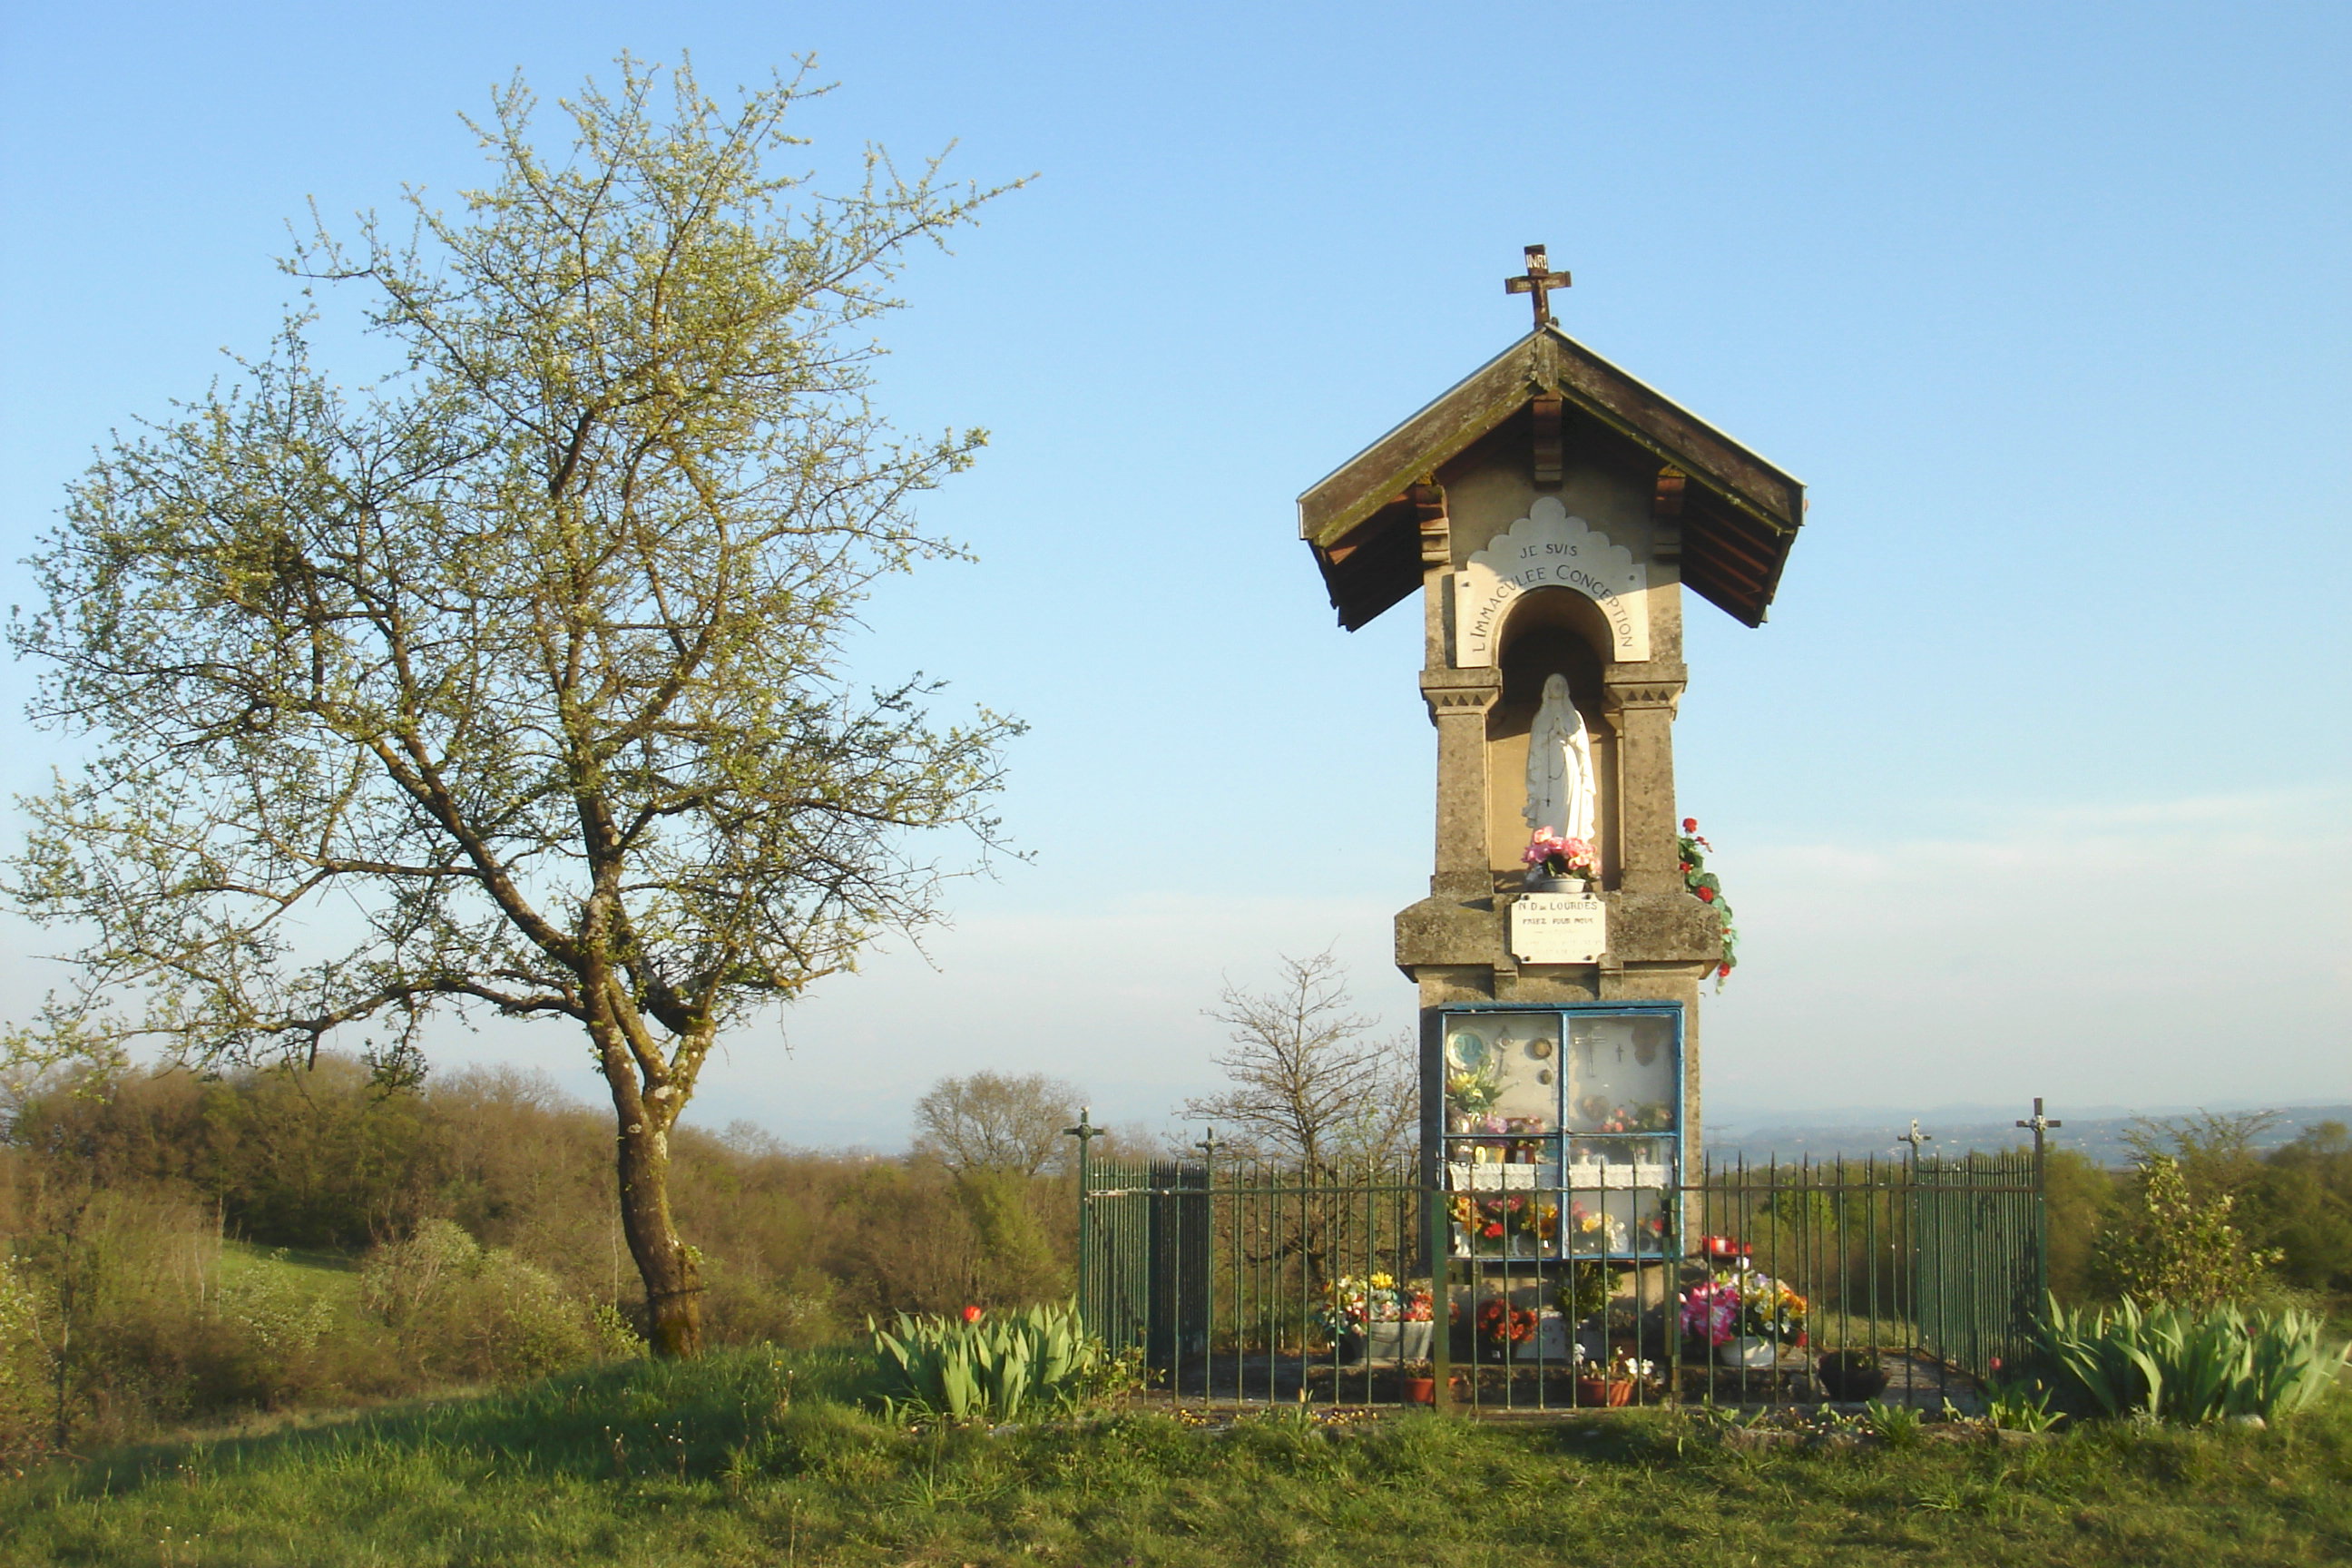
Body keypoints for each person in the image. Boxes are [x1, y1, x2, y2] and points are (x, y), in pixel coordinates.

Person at [1524, 673, 1595, 843]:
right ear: (1546, 688)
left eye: (1560, 683)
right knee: (1546, 807)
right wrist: (1550, 735)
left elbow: (1582, 745)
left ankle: (1569, 845)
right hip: (1546, 768)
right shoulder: (1540, 717)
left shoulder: (1574, 716)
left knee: (1569, 804)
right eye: (1553, 683)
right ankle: (1546, 850)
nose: (1556, 686)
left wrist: (1566, 734)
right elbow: (1535, 745)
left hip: (1568, 765)